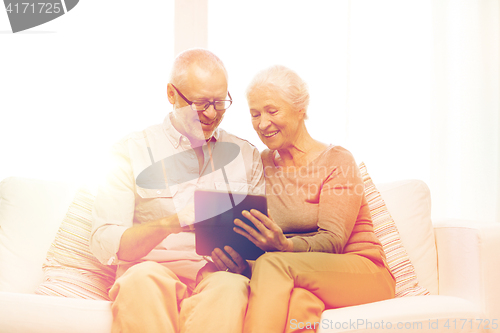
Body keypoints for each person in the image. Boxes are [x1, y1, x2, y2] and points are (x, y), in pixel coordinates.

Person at [90, 48, 264, 333]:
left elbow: (257, 244)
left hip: (218, 275)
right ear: (171, 94)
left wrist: (243, 264)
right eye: (200, 103)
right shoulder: (129, 150)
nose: (211, 113)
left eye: (220, 102)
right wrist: (173, 221)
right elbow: (105, 241)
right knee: (140, 282)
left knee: (232, 288)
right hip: (151, 271)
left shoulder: (246, 154)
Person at [234, 65, 396, 333]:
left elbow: (333, 241)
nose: (263, 123)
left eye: (272, 111)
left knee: (272, 264)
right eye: (255, 114)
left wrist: (284, 246)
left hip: (362, 271)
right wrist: (240, 260)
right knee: (298, 304)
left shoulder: (337, 160)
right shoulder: (260, 163)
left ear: (300, 109)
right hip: (302, 272)